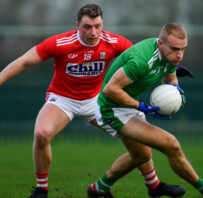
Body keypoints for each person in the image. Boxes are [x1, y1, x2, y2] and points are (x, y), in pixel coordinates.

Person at [0, 4, 188, 198]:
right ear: (77, 26)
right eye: (88, 27)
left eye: (98, 26)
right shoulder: (60, 43)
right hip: (63, 99)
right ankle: (41, 189)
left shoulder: (113, 42)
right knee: (41, 133)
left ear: (102, 24)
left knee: (139, 142)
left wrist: (168, 68)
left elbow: (144, 61)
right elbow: (23, 61)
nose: (93, 32)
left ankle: (154, 185)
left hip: (96, 100)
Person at [89, 23, 203, 198]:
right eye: (175, 49)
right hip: (111, 109)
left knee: (140, 155)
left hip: (126, 107)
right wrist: (142, 107)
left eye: (183, 49)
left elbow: (170, 79)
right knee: (171, 144)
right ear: (160, 44)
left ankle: (99, 190)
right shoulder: (141, 61)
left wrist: (175, 91)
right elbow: (110, 90)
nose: (179, 55)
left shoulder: (170, 56)